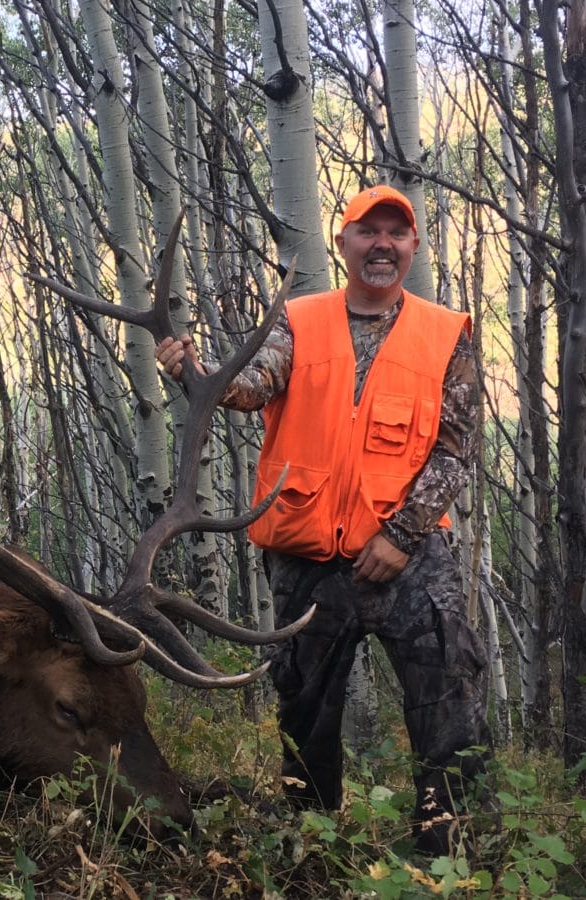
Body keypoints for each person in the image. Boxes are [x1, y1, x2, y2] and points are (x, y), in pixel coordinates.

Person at [156, 185, 492, 855]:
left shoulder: (445, 332)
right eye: (369, 232)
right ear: (343, 243)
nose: (383, 245)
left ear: (413, 247)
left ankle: (447, 846)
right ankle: (311, 846)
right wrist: (192, 371)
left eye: (397, 234)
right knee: (304, 710)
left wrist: (400, 538)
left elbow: (456, 452)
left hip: (410, 554)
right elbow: (251, 388)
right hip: (307, 554)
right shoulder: (298, 320)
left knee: (450, 701)